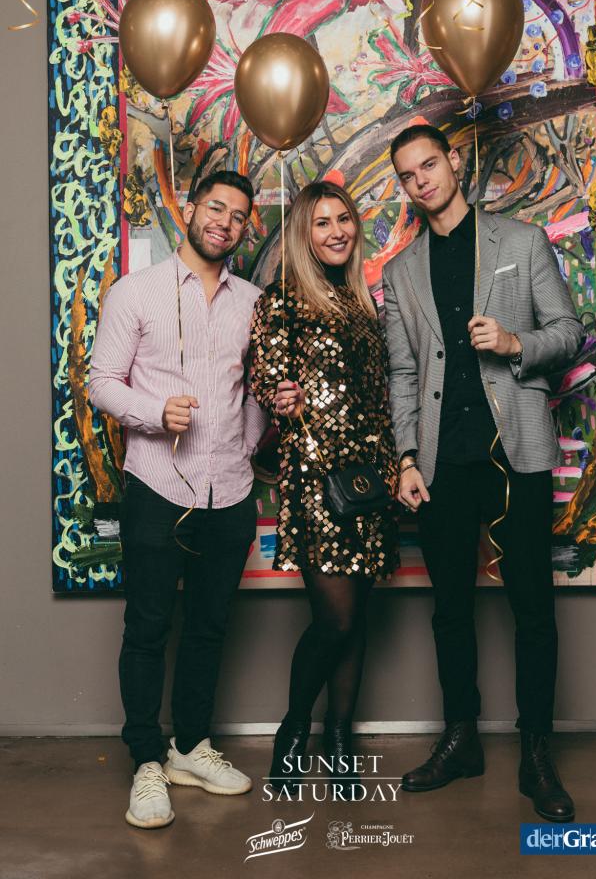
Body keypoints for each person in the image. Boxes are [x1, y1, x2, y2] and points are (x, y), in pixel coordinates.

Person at [383, 124, 585, 822]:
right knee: (449, 609)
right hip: (442, 461)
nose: (421, 181)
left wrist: (513, 341)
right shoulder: (400, 272)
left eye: (429, 165)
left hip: (516, 451)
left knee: (532, 606)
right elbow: (402, 373)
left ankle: (536, 752)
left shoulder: (520, 242)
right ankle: (460, 739)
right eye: (408, 175)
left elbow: (569, 332)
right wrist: (406, 457)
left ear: (453, 161)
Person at [89, 170, 267, 829]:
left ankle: (190, 747)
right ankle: (146, 760)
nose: (225, 222)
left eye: (238, 215)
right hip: (158, 487)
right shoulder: (135, 292)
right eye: (215, 207)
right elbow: (101, 381)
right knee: (147, 628)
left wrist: (249, 440)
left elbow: (254, 389)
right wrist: (155, 410)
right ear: (189, 210)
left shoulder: (253, 302)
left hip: (231, 490)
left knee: (209, 628)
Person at [250, 181, 399, 796]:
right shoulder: (282, 300)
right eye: (321, 222)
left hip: (369, 479)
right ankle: (293, 730)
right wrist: (280, 397)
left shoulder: (363, 304)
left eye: (344, 219)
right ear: (303, 235)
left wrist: (396, 468)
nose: (336, 231)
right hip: (316, 478)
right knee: (334, 619)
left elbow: (381, 398)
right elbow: (264, 379)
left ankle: (339, 740)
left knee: (356, 617)